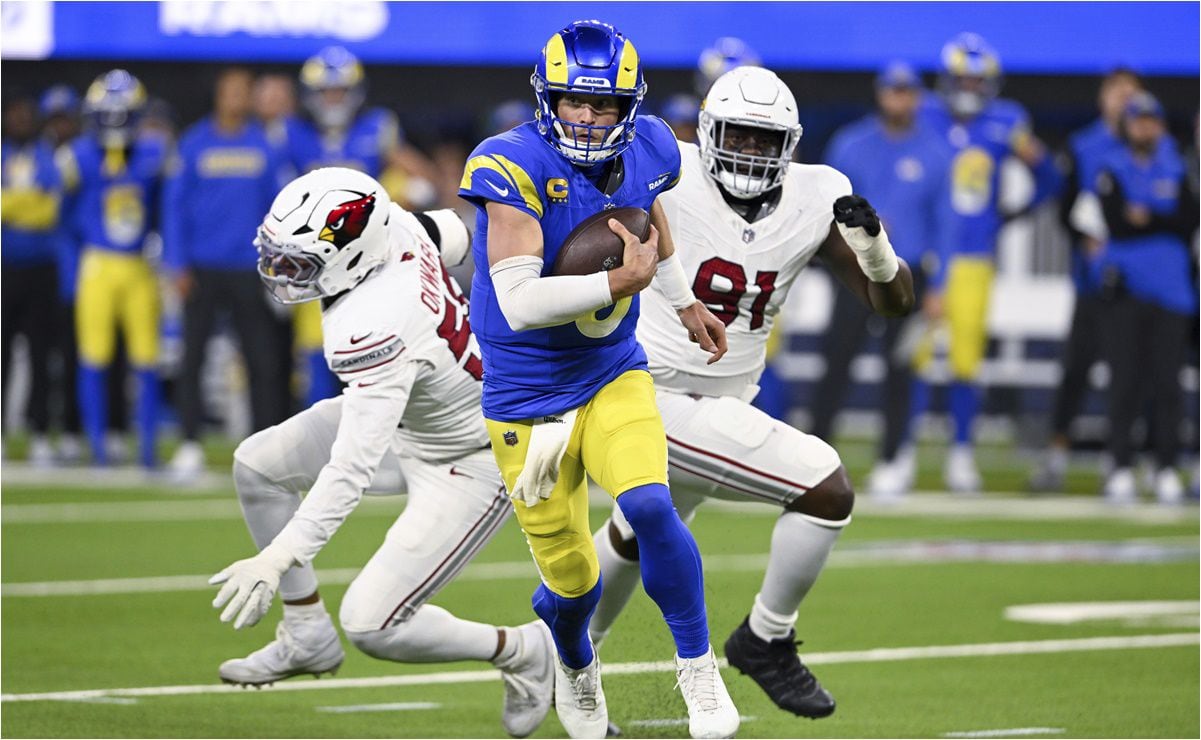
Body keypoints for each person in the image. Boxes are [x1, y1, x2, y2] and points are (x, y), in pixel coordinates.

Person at [587, 65, 915, 720]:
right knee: (825, 487)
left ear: (790, 145)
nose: (750, 152)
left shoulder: (817, 195)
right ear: (707, 131)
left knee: (638, 529)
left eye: (766, 141)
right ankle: (765, 636)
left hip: (722, 400)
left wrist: (874, 249)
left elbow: (894, 303)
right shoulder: (662, 168)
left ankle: (560, 653)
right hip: (640, 391)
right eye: (738, 135)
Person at [458, 20, 739, 739]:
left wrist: (680, 300)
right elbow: (519, 303)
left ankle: (698, 672)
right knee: (573, 582)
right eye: (574, 103)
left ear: (628, 107)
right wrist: (622, 280)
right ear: (547, 98)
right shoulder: (508, 163)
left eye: (604, 105)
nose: (588, 117)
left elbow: (650, 218)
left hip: (610, 373)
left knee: (648, 504)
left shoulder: (649, 147)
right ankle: (576, 668)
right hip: (528, 400)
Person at [209, 167, 556, 739]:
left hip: (471, 455)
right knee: (257, 466)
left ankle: (523, 650)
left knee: (372, 624)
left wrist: (277, 558)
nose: (280, 273)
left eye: (298, 263)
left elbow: (350, 470)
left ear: (348, 256)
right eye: (278, 254)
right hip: (414, 414)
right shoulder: (392, 225)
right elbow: (467, 235)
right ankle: (305, 634)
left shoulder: (370, 324)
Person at [914, 33, 1061, 493]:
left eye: (977, 81)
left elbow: (1049, 174)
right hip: (924, 254)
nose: (970, 88)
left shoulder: (1006, 122)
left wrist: (1013, 214)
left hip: (974, 255)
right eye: (963, 79)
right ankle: (900, 452)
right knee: (913, 358)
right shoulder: (923, 114)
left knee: (965, 362)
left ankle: (960, 454)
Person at [809, 61, 954, 499]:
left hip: (907, 274)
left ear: (917, 97)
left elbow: (946, 223)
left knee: (901, 368)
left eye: (907, 91)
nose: (899, 99)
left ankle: (894, 458)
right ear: (880, 94)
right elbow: (824, 204)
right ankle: (815, 457)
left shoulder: (936, 151)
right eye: (893, 91)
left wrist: (942, 284)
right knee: (837, 360)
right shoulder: (852, 143)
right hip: (855, 269)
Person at [283, 46, 439, 408]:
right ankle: (317, 443)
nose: (333, 98)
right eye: (326, 91)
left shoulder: (376, 127)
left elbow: (423, 179)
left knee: (372, 354)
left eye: (339, 90)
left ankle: (378, 444)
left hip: (368, 262)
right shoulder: (293, 133)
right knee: (315, 353)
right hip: (315, 262)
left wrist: (400, 204)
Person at [161, 68, 292, 481]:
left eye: (243, 92)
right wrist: (176, 262)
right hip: (201, 268)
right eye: (231, 91)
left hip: (249, 268)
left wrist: (277, 265)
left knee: (262, 359)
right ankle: (188, 444)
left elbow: (278, 208)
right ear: (219, 96)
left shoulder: (264, 145)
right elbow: (174, 207)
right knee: (193, 357)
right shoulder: (194, 143)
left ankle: (263, 448)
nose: (237, 98)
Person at [1072, 92, 1198, 504]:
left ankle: (1165, 466)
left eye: (1150, 120)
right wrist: (1153, 222)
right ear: (1127, 125)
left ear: (1159, 125)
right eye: (1137, 120)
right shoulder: (1111, 167)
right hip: (1124, 290)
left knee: (1167, 383)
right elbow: (1115, 223)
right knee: (1125, 381)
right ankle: (1121, 465)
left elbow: (1186, 221)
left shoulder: (1178, 167)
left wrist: (1147, 218)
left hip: (1172, 292)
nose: (1144, 127)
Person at [1029, 68, 1142, 492]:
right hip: (1093, 281)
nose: (1124, 100)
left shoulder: (1152, 144)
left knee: (1133, 377)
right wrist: (1085, 239)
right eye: (1117, 92)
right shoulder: (1085, 145)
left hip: (1140, 283)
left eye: (1132, 93)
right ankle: (1055, 456)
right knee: (1077, 370)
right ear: (1103, 98)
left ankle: (1125, 461)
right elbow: (1066, 208)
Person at [54, 70, 169, 467]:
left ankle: (147, 450)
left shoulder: (155, 152)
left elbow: (163, 210)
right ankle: (100, 450)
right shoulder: (78, 157)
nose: (116, 124)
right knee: (95, 356)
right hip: (98, 265)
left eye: (123, 115)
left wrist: (164, 253)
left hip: (138, 265)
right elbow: (63, 220)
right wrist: (71, 271)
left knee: (146, 357)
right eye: (109, 115)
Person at [2, 94, 62, 465]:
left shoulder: (47, 155)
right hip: (5, 267)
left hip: (41, 267)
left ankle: (40, 432)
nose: (21, 120)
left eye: (26, 115)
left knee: (42, 355)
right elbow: (31, 207)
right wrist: (28, 201)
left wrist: (11, 204)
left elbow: (49, 211)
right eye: (15, 115)